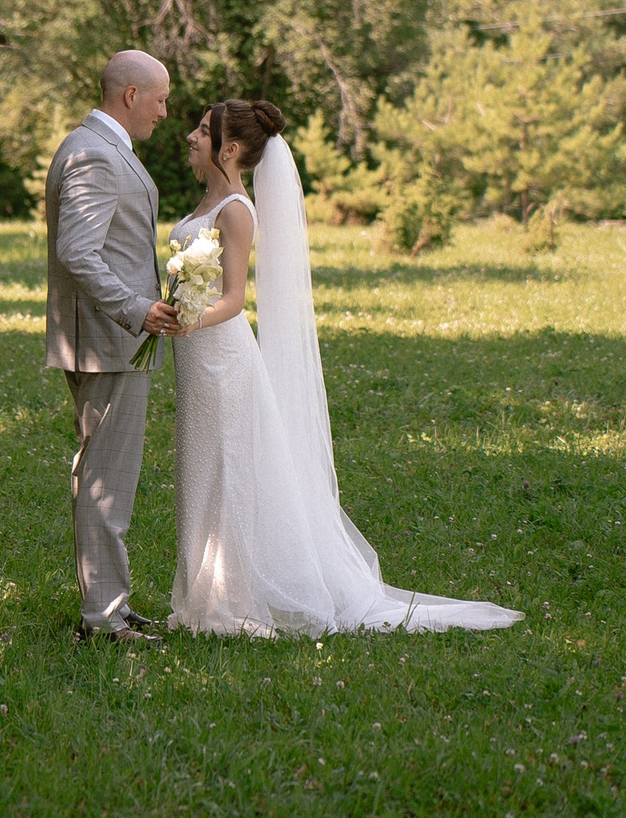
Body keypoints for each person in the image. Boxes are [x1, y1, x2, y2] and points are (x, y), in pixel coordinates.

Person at [166, 99, 521, 637]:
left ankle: (226, 606)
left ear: (230, 149)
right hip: (195, 355)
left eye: (202, 131)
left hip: (220, 358)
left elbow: (235, 298)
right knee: (201, 470)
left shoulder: (235, 210)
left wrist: (189, 320)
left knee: (225, 472)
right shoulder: (205, 204)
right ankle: (205, 596)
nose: (191, 136)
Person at [43, 50, 182, 645]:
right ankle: (103, 619)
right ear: (131, 95)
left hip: (108, 340)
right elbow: (79, 252)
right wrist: (136, 309)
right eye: (161, 98)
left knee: (103, 476)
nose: (166, 111)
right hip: (108, 341)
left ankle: (111, 605)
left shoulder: (100, 148)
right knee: (106, 479)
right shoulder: (96, 154)